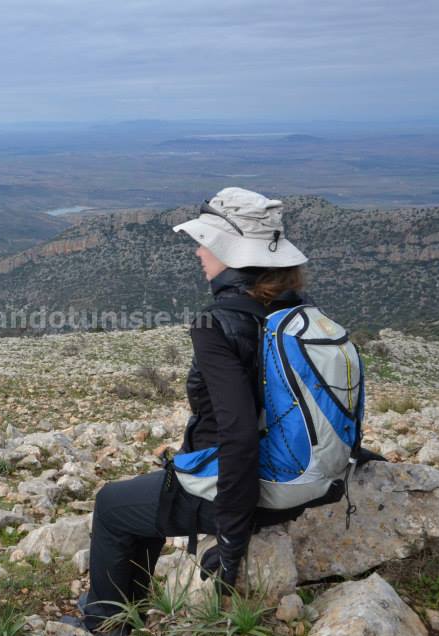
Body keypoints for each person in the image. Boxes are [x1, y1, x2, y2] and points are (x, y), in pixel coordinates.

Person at [75, 187, 313, 634]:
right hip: (308, 475)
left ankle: (105, 622)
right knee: (151, 489)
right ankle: (130, 602)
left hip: (254, 485)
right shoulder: (298, 312)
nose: (199, 253)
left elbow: (238, 436)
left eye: (205, 242)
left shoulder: (217, 323)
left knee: (111, 504)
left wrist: (230, 541)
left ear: (229, 252)